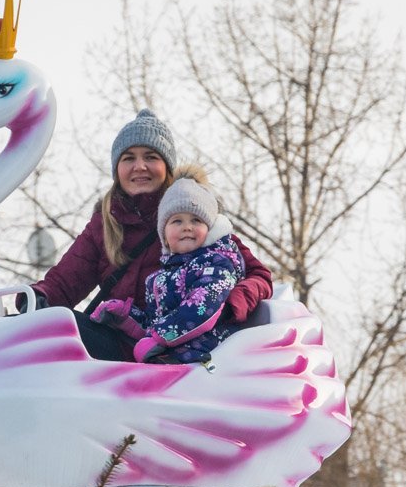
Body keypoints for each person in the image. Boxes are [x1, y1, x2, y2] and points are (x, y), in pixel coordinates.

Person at [25, 108, 273, 361]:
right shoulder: (106, 222)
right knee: (50, 329)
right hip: (120, 337)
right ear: (117, 168)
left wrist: (229, 304)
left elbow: (258, 275)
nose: (139, 166)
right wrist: (39, 298)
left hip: (175, 346)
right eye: (128, 158)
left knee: (64, 331)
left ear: (167, 166)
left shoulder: (191, 217)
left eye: (151, 157)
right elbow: (67, 280)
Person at [89, 168, 244, 364]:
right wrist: (125, 315)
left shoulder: (216, 264)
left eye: (196, 220)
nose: (186, 226)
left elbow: (202, 309)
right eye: (177, 221)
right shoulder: (162, 276)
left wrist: (158, 337)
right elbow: (153, 324)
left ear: (209, 228)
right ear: (165, 235)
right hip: (173, 350)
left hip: (206, 354)